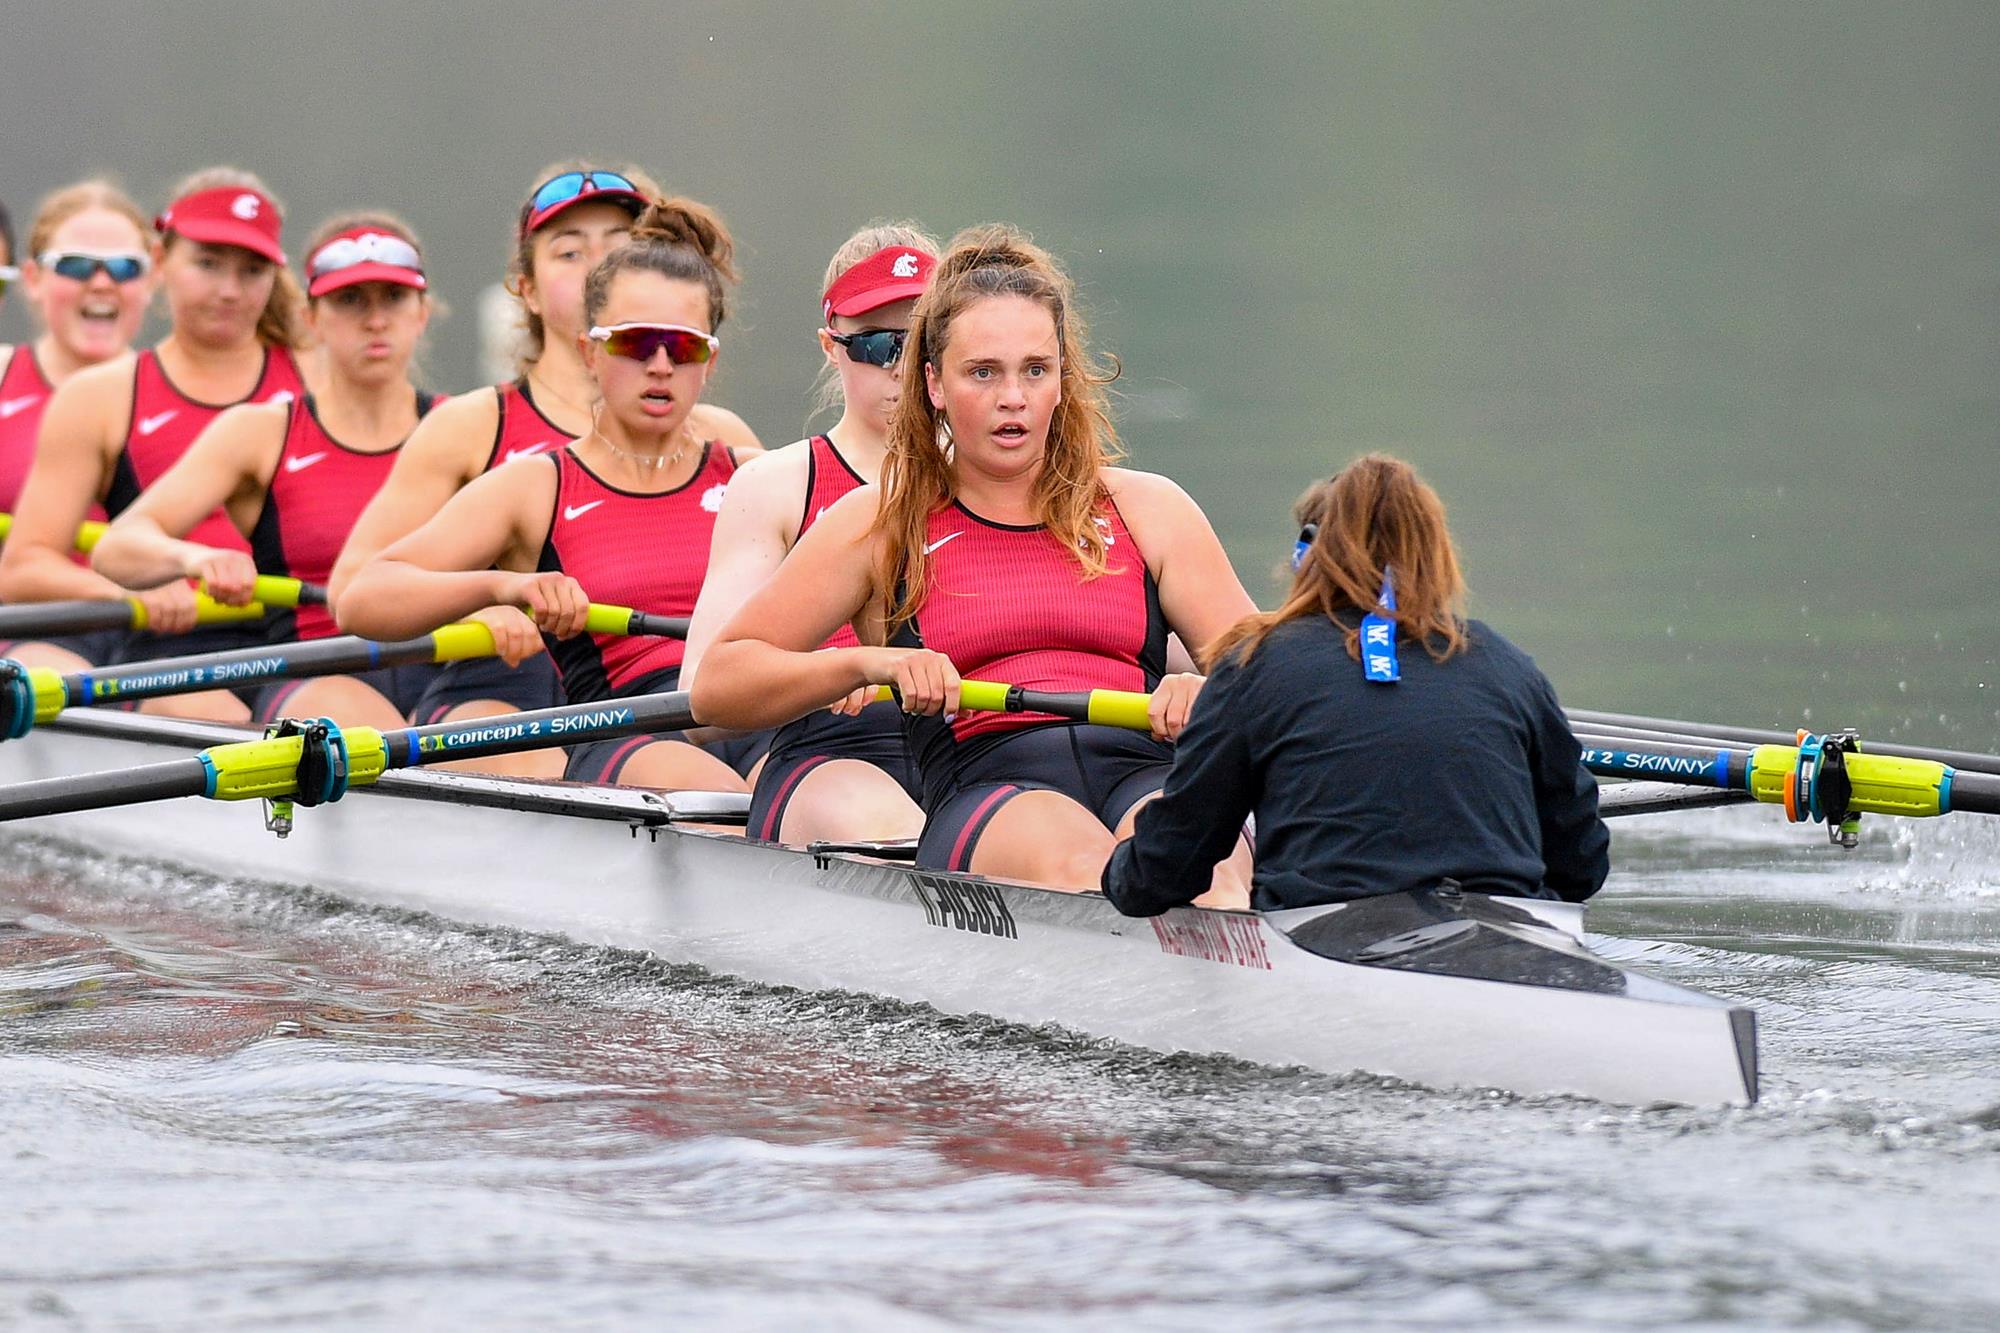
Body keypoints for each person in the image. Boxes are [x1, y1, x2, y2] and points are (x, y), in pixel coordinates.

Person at [693, 225, 1256, 897]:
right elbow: (718, 685)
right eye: (983, 372)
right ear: (933, 382)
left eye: (1034, 370)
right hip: (990, 781)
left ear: (1060, 380)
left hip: (1148, 766)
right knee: (1087, 872)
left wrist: (1214, 693)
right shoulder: (880, 521)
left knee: (1212, 877)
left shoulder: (1152, 508)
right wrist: (868, 663)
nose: (1012, 396)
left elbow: (1279, 682)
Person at [327, 162, 759, 776]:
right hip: (511, 688)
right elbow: (356, 593)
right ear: (526, 289)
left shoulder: (723, 439)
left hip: (693, 703)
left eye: (619, 246)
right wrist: (486, 600)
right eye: (569, 252)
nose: (595, 266)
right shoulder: (478, 428)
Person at [1103, 455, 1611, 915]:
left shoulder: (1255, 665)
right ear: (1435, 554)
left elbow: (1172, 865)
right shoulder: (1508, 667)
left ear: (1308, 555)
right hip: (1513, 929)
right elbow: (1582, 865)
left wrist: (1118, 875)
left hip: (1325, 931)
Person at [91, 213, 441, 726]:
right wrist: (194, 558)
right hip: (316, 672)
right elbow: (117, 548)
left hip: (447, 667)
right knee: (360, 721)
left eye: (393, 298)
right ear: (310, 318)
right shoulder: (260, 432)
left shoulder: (464, 426)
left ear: (422, 314)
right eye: (350, 300)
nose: (375, 320)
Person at [0, 167, 309, 719]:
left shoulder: (319, 380)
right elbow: (21, 568)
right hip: (155, 643)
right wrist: (129, 592)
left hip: (304, 640)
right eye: (209, 264)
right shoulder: (100, 396)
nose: (229, 289)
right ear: (163, 264)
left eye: (251, 269)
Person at [684, 223, 939, 844]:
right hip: (834, 757)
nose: (903, 368)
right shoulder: (776, 485)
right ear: (832, 346)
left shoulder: (1006, 484)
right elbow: (700, 704)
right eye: (879, 346)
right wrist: (837, 671)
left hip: (982, 754)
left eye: (926, 342)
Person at [0, 181, 158, 669]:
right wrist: (112, 593)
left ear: (151, 284)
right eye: (75, 265)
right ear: (31, 279)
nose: (102, 283)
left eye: (124, 268)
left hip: (158, 644)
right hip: (24, 635)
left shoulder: (193, 399)